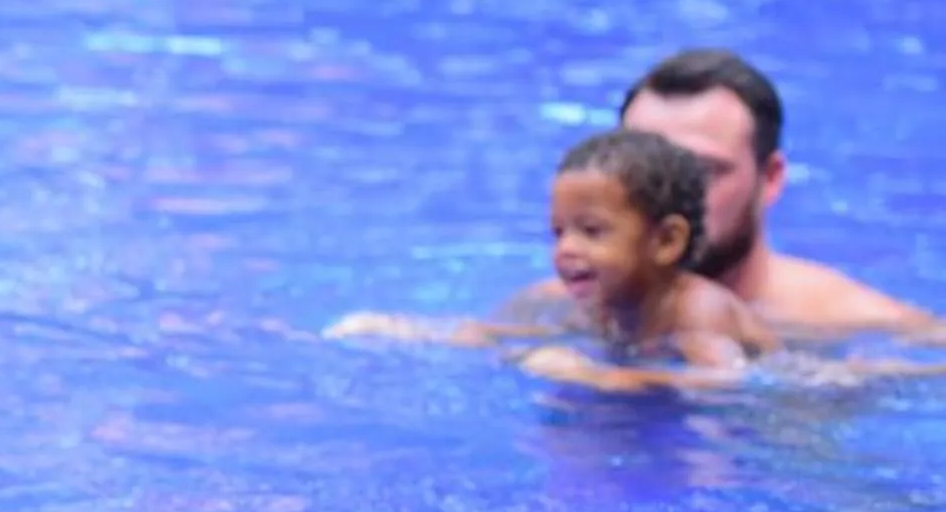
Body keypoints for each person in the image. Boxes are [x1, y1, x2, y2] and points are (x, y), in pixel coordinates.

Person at [332, 130, 775, 393]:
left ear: (665, 241)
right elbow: (506, 336)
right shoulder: (590, 305)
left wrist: (603, 378)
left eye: (592, 231)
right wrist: (411, 331)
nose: (565, 249)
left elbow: (723, 384)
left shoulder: (700, 310)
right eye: (559, 231)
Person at [551, 50, 927, 336]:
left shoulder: (856, 326)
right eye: (645, 176)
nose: (669, 196)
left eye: (703, 171)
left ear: (771, 179)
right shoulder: (564, 304)